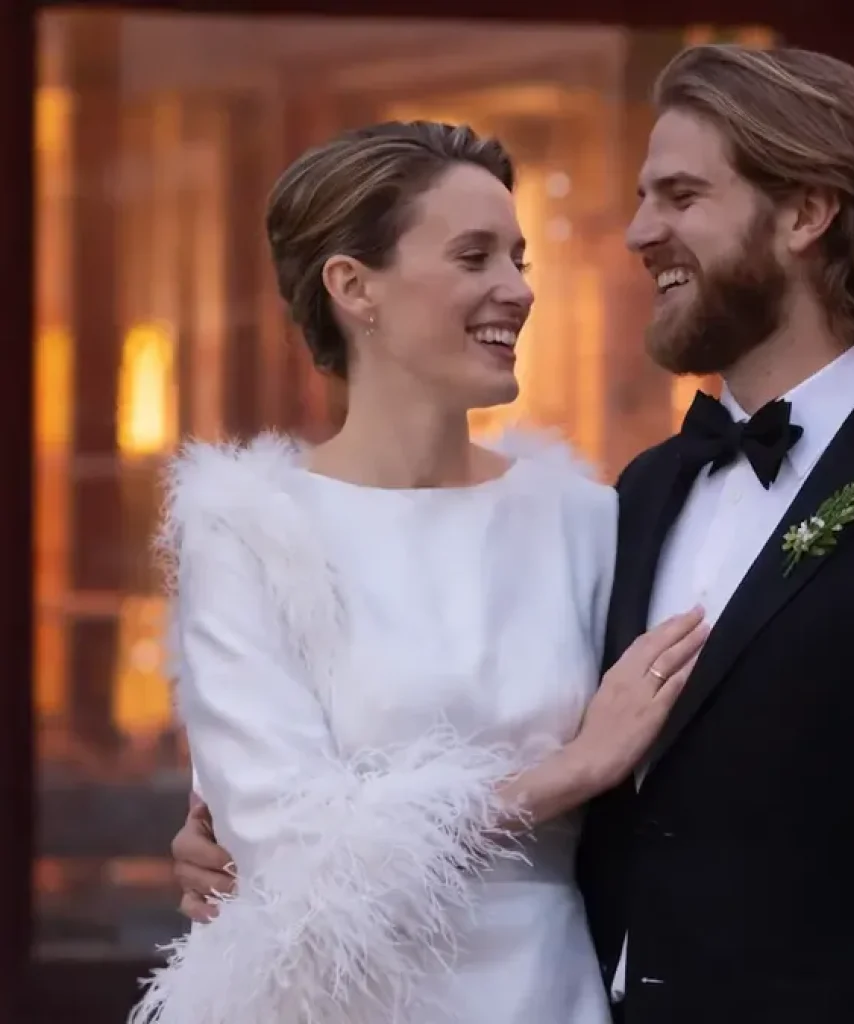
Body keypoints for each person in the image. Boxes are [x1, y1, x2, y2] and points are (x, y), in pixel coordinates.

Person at [171, 44, 854, 1024]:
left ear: (804, 214)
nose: (637, 232)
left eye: (680, 195)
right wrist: (238, 845)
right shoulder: (643, 495)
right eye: (474, 255)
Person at [129, 121, 708, 1024]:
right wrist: (570, 772)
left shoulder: (586, 520)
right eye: (474, 256)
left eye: (517, 258)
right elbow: (295, 848)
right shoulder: (247, 530)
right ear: (353, 286)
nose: (517, 289)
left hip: (550, 997)